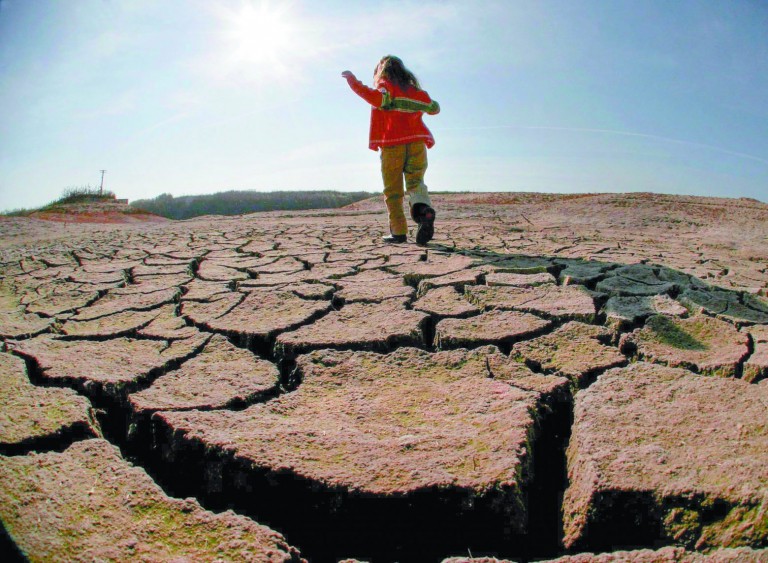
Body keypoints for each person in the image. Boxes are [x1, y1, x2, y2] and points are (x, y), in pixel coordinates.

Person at [342, 55, 440, 245]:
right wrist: (417, 99)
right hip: (417, 144)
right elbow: (434, 108)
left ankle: (399, 232)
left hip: (392, 144)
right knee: (416, 183)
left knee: (393, 190)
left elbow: (374, 97)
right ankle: (424, 212)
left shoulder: (386, 88)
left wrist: (353, 82)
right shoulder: (414, 92)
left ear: (383, 71)